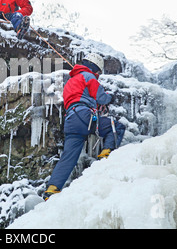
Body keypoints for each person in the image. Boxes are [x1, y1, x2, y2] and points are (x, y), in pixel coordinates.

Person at [43, 53, 126, 200]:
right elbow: (101, 97)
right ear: (95, 67)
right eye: (98, 72)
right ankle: (106, 155)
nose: (98, 75)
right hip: (85, 116)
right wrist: (110, 97)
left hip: (71, 120)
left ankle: (52, 188)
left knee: (68, 156)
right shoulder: (89, 77)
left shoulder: (70, 82)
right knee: (115, 126)